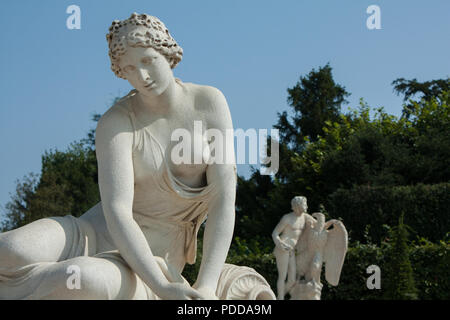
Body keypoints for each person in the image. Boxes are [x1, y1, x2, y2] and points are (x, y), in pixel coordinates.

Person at [0, 13, 237, 300]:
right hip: (92, 231)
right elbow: (118, 212)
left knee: (80, 278)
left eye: (147, 61)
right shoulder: (115, 122)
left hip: (149, 261)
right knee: (9, 250)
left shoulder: (209, 103)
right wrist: (162, 289)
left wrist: (206, 286)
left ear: (166, 52)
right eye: (130, 69)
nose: (142, 77)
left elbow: (224, 200)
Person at [271, 196, 307, 300]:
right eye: (304, 204)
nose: (306, 206)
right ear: (298, 206)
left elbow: (316, 223)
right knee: (282, 276)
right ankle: (280, 298)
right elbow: (275, 233)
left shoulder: (304, 217)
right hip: (283, 248)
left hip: (291, 250)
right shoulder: (287, 218)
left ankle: (278, 297)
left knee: (292, 280)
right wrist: (281, 245)